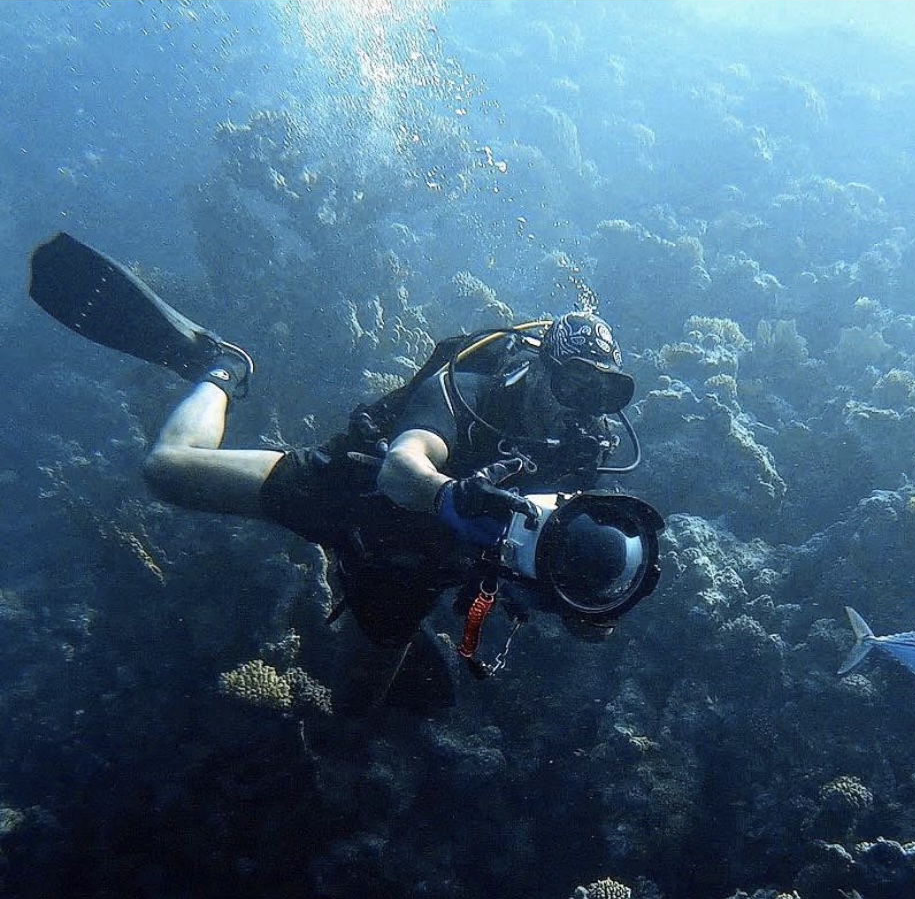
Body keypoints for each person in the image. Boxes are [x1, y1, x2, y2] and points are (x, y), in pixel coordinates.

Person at [29, 232, 663, 713]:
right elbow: (402, 468)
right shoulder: (469, 389)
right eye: (573, 383)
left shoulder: (581, 449)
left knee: (353, 712)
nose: (581, 406)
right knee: (165, 471)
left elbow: (559, 557)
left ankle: (374, 638)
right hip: (347, 495)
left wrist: (590, 606)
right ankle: (221, 368)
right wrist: (452, 497)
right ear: (539, 365)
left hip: (410, 571)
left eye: (601, 393)